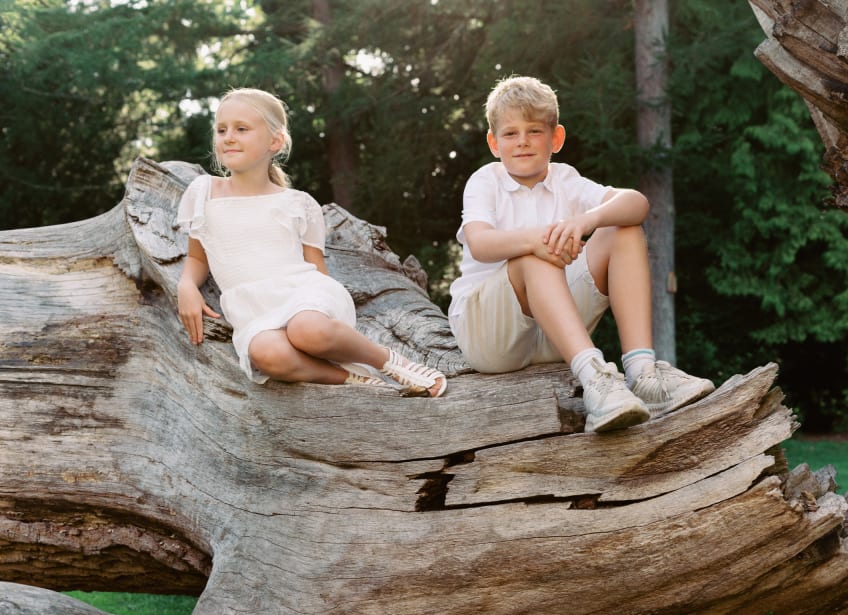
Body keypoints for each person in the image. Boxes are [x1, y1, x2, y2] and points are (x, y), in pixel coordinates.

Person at [448, 75, 713, 432]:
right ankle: (596, 381)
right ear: (494, 143)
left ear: (556, 138)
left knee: (623, 230)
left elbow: (636, 203)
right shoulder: (486, 180)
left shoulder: (566, 180)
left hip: (554, 334)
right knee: (535, 254)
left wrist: (586, 220)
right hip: (489, 337)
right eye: (511, 133)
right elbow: (480, 243)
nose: (522, 141)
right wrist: (537, 241)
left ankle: (643, 375)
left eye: (534, 131)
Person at [176, 88, 446, 397]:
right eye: (222, 130)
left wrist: (322, 312)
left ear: (275, 142)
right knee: (266, 354)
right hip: (253, 310)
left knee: (308, 329)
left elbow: (317, 270)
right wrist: (187, 285)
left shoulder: (298, 203)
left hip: (303, 294)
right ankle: (353, 379)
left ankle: (389, 361)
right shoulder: (204, 191)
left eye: (241, 129)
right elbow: (197, 257)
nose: (228, 137)